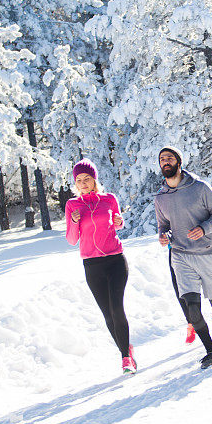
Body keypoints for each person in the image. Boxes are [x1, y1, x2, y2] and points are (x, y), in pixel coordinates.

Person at [155, 147, 212, 369]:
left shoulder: (199, 188)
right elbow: (163, 225)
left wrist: (204, 228)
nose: (165, 162)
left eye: (169, 158)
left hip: (206, 252)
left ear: (179, 162)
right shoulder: (160, 197)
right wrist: (163, 236)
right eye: (161, 159)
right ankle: (211, 351)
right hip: (180, 256)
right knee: (192, 308)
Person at [65, 159, 137, 373]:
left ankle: (125, 358)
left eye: (87, 179)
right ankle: (126, 350)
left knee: (117, 308)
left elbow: (118, 221)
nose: (83, 183)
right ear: (75, 184)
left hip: (115, 260)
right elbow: (71, 239)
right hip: (92, 264)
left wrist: (119, 222)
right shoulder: (72, 205)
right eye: (79, 180)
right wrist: (75, 221)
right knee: (107, 315)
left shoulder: (108, 199)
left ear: (94, 179)